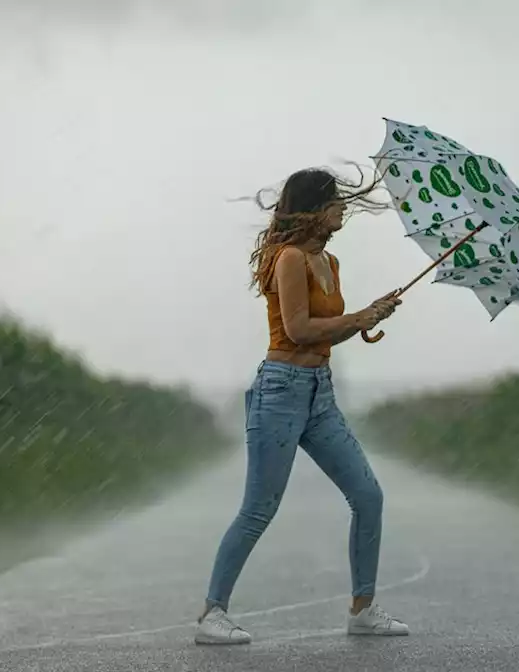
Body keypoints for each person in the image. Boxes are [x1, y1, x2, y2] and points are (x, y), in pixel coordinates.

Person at [195, 165, 409, 645]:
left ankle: (363, 608)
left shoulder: (329, 263)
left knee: (368, 496)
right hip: (281, 390)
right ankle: (212, 614)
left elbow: (330, 329)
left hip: (319, 393)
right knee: (259, 509)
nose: (343, 209)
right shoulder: (288, 258)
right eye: (335, 201)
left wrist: (369, 316)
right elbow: (298, 330)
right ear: (314, 209)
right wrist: (357, 318)